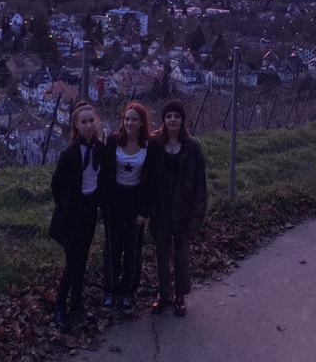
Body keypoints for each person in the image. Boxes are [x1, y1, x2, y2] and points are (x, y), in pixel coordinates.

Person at [49, 101, 106, 334]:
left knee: (82, 259)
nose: (89, 125)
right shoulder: (70, 154)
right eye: (84, 122)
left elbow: (101, 179)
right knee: (73, 262)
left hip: (89, 211)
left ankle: (77, 305)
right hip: (72, 213)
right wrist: (67, 206)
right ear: (76, 124)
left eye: (91, 120)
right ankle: (60, 307)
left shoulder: (100, 149)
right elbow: (57, 185)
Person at [150, 99, 207, 318]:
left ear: (182, 120)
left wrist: (197, 214)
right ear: (163, 120)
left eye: (176, 116)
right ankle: (163, 294)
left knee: (182, 253)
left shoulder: (192, 146)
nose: (172, 120)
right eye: (168, 116)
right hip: (161, 208)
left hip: (183, 207)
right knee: (161, 253)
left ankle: (180, 295)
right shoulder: (155, 143)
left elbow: (200, 182)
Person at [101, 100, 156, 311]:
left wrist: (144, 211)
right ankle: (110, 289)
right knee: (112, 247)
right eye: (127, 119)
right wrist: (104, 203)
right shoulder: (114, 140)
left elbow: (151, 182)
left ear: (142, 123)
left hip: (136, 200)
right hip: (115, 199)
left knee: (133, 248)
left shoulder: (149, 146)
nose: (130, 123)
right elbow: (106, 173)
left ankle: (127, 291)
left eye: (134, 119)